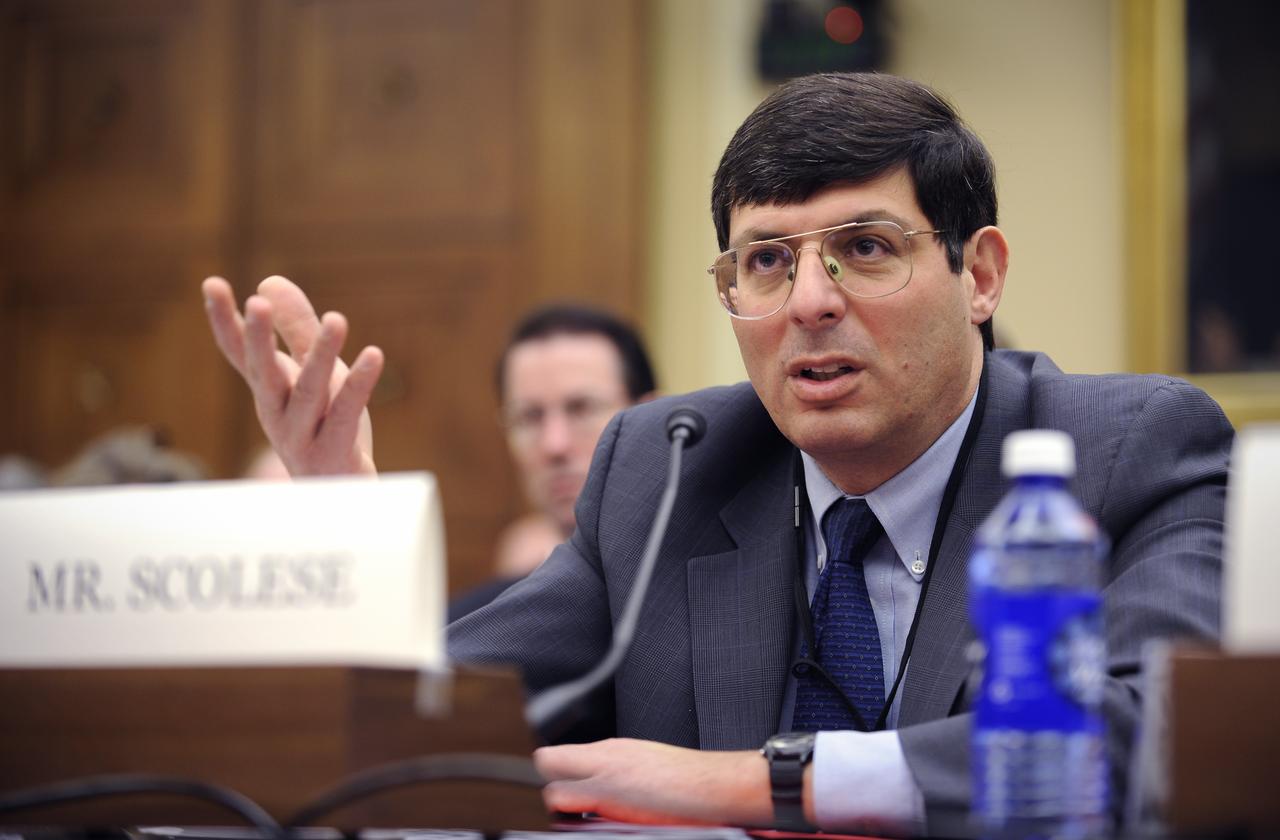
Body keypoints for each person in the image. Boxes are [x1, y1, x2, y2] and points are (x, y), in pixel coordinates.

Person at [202, 73, 1231, 836]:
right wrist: (344, 514)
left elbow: (1160, 743)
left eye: (864, 248)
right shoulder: (667, 466)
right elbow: (453, 707)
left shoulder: (1125, 449)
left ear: (980, 274)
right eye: (766, 263)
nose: (811, 301)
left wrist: (754, 783)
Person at [450, 305, 657, 620]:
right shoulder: (475, 623)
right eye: (529, 417)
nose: (554, 445)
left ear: (652, 416)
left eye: (582, 409)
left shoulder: (719, 586)